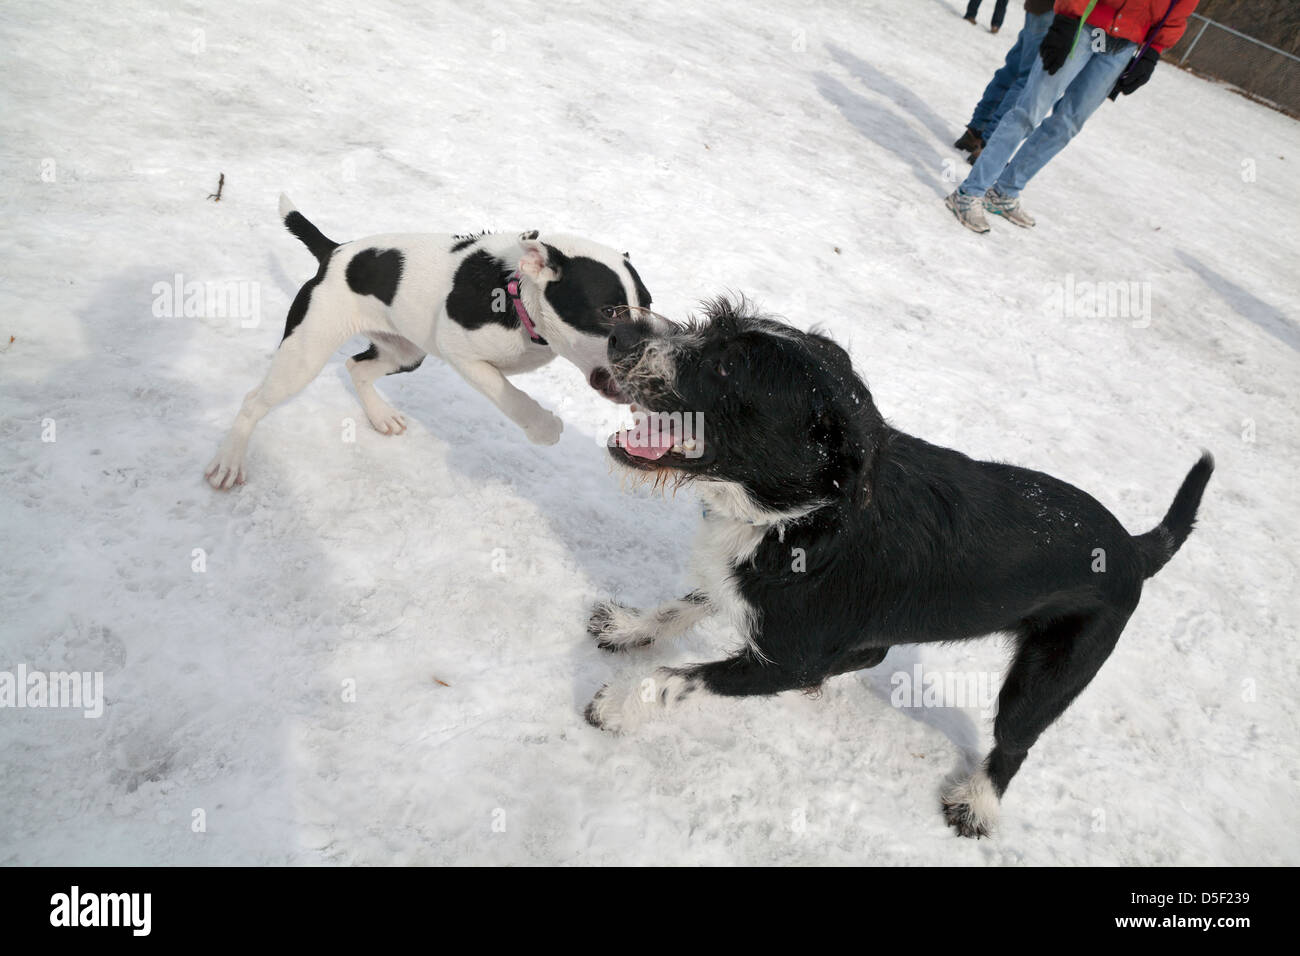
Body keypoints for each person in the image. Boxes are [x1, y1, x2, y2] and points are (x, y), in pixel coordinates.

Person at [945, 0, 1200, 234]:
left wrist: (1153, 51)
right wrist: (1068, 17)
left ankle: (1004, 191)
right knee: (1029, 111)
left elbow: (1180, 8)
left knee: (1067, 124)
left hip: (1124, 45)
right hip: (1087, 26)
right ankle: (970, 192)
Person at [954, 2, 1057, 164]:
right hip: (1057, 10)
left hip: (1042, 7)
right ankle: (990, 145)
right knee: (1027, 78)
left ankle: (977, 130)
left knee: (1014, 70)